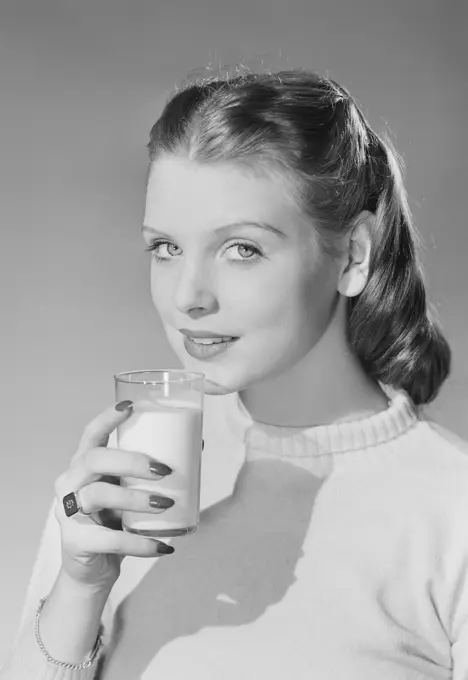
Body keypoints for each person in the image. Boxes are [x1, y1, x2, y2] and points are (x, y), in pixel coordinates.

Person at [2, 68, 468, 680]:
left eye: (241, 248)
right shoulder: (128, 477)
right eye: (165, 247)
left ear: (353, 255)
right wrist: (80, 586)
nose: (188, 297)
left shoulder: (449, 510)